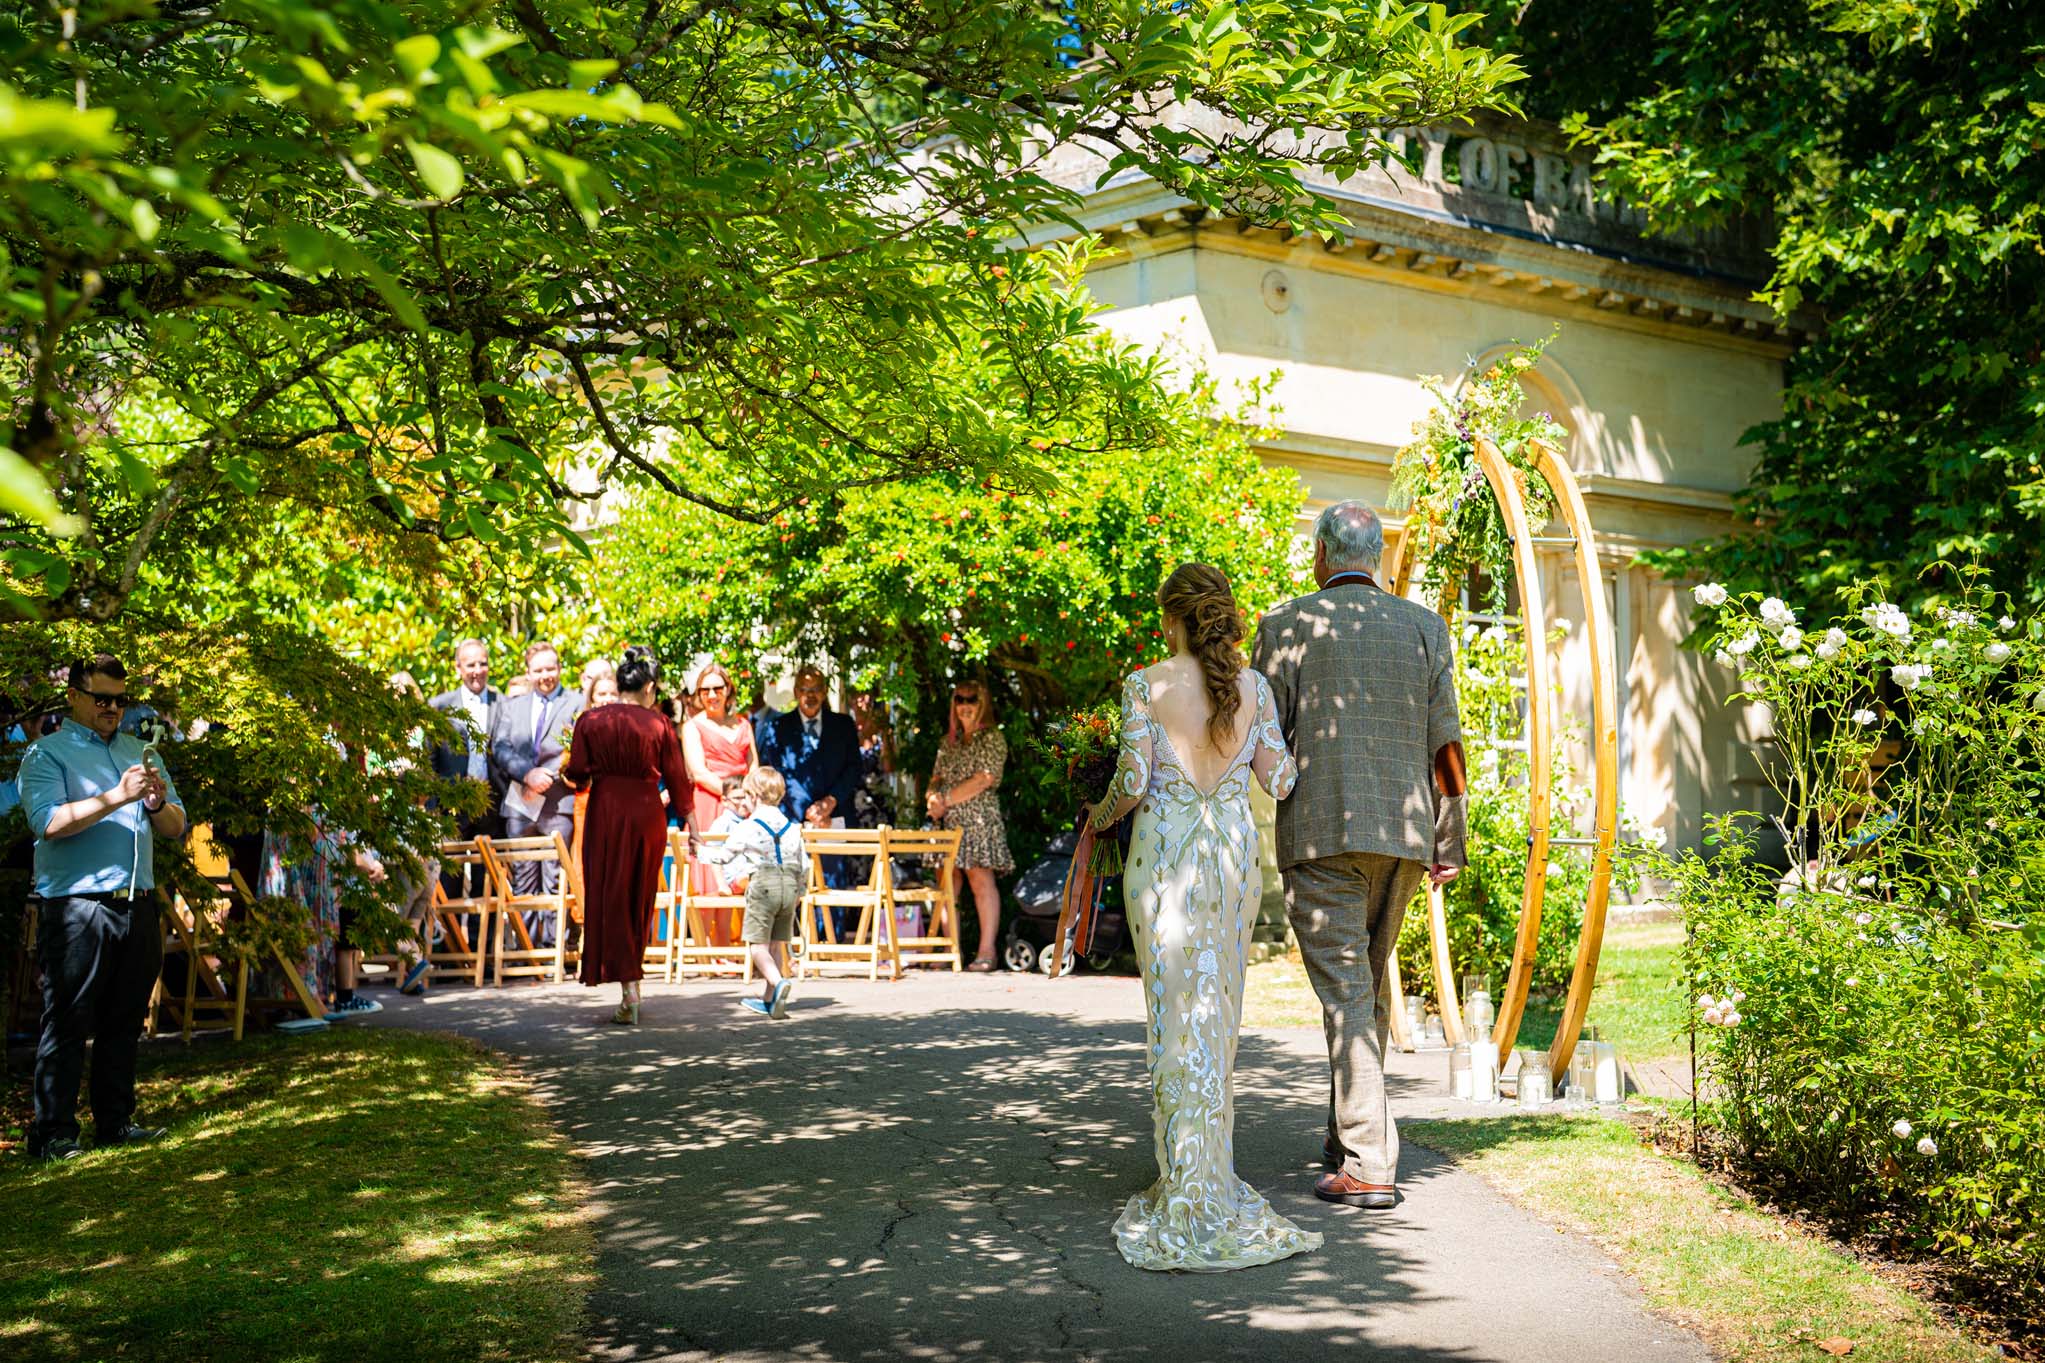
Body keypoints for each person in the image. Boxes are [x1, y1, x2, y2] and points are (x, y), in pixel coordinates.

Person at [1084, 566, 1320, 1271]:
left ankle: (1186, 1182)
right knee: (1217, 1018)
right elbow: (1280, 779)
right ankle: (1205, 1172)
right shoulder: (1255, 689)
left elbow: (1130, 784)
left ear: (1173, 618)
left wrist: (1094, 820)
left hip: (1163, 866)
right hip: (1230, 866)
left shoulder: (1143, 684)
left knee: (1173, 1018)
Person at [1251, 501, 1467, 1212]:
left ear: (1321, 553)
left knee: (1347, 995)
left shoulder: (1284, 625)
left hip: (1319, 834)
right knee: (1363, 991)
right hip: (1403, 837)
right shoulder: (1423, 626)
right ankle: (1345, 1137)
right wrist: (1450, 838)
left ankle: (1370, 1162)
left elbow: (1264, 735)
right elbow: (1445, 744)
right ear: (1372, 557)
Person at [17, 653, 188, 1160]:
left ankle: (115, 1122)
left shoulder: (142, 751)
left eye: (120, 700)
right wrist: (116, 797)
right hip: (76, 906)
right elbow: (47, 823)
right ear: (74, 696)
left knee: (123, 1019)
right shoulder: (46, 755)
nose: (113, 709)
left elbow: (177, 826)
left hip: (135, 903)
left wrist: (156, 804)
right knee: (68, 1021)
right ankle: (53, 1135)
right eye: (102, 699)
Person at [562, 655, 688, 1025]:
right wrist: (692, 824)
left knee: (609, 894)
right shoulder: (661, 723)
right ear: (649, 687)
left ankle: (628, 989)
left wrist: (582, 776)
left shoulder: (590, 720)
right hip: (647, 812)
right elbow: (678, 779)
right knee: (638, 896)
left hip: (606, 812)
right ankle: (632, 982)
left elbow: (579, 773)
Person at [754, 665, 859, 923]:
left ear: (824, 692)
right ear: (795, 692)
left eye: (815, 690)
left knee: (832, 886)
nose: (809, 695)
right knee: (795, 884)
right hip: (792, 819)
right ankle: (800, 949)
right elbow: (775, 774)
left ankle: (831, 949)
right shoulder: (777, 728)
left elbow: (855, 769)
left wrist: (829, 803)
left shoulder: (843, 725)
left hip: (834, 818)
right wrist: (808, 811)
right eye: (803, 689)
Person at [488, 642, 585, 905]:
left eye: (550, 668)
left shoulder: (577, 702)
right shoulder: (512, 706)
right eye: (539, 670)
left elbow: (579, 747)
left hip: (558, 802)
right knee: (523, 882)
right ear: (529, 673)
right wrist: (527, 775)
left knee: (556, 881)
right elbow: (500, 747)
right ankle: (525, 944)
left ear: (559, 668)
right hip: (521, 801)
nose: (545, 676)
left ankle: (553, 944)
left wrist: (546, 777)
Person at [926, 681, 1014, 971]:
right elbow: (935, 778)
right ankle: (950, 953)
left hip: (978, 820)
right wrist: (932, 799)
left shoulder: (992, 738)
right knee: (947, 884)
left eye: (971, 699)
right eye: (959, 699)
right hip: (947, 821)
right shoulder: (946, 742)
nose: (964, 705)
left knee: (980, 882)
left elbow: (984, 779)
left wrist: (945, 799)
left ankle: (986, 952)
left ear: (983, 702)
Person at [723, 766, 806, 1020]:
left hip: (763, 885)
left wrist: (701, 852)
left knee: (757, 947)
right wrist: (800, 892)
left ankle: (777, 982)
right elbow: (804, 865)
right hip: (789, 887)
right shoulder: (792, 827)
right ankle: (770, 1000)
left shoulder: (749, 826)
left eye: (746, 795)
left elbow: (726, 853)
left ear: (755, 796)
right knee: (776, 944)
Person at [683, 662, 758, 937]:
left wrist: (747, 800)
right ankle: (710, 949)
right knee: (709, 875)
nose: (711, 695)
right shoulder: (693, 726)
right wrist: (731, 796)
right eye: (705, 690)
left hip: (742, 806)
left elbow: (754, 768)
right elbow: (698, 772)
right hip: (709, 803)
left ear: (728, 690)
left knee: (741, 871)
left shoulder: (743, 725)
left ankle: (736, 945)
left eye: (717, 688)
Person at [430, 639, 503, 896]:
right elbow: (431, 759)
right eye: (470, 664)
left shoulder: (502, 703)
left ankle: (479, 938)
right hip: (452, 806)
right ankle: (451, 937)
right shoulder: (439, 707)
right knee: (450, 880)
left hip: (492, 807)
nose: (477, 670)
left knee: (487, 883)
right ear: (458, 668)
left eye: (482, 663)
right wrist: (433, 806)